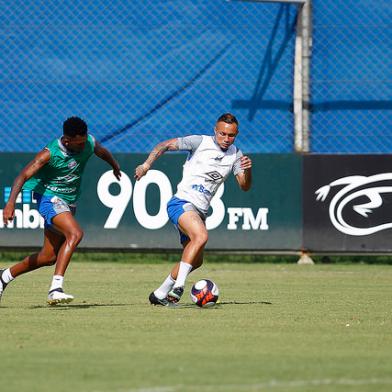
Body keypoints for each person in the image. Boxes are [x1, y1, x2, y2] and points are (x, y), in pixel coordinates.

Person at [0, 117, 121, 305]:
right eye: (78, 143)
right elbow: (22, 175)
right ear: (66, 140)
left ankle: (4, 277)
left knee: (48, 257)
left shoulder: (88, 141)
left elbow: (101, 151)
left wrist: (114, 166)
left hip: (69, 201)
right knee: (76, 233)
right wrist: (10, 204)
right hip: (48, 198)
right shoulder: (49, 154)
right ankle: (56, 288)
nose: (82, 147)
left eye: (84, 141)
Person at [134, 113, 252, 306]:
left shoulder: (236, 155)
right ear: (215, 131)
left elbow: (244, 185)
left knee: (196, 261)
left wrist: (248, 169)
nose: (226, 138)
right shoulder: (199, 142)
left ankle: (159, 293)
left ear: (236, 134)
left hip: (200, 212)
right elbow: (164, 145)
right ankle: (179, 286)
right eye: (222, 134)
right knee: (201, 236)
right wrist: (146, 165)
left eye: (231, 135)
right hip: (181, 203)